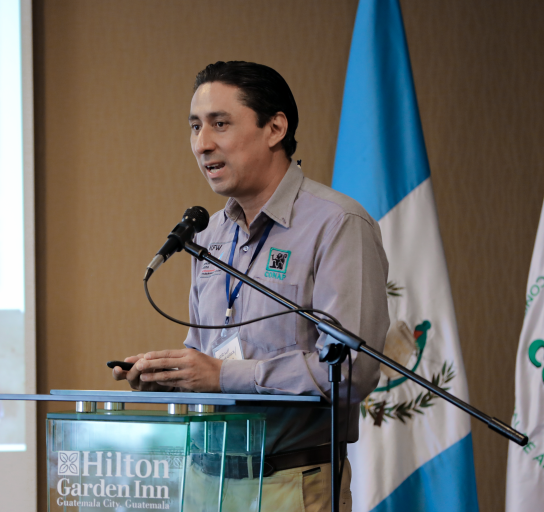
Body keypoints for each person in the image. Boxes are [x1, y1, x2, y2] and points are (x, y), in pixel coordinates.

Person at [112, 61, 389, 511]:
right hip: (204, 480)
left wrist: (222, 376)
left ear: (275, 128)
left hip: (290, 481)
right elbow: (208, 355)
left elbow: (350, 371)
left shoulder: (337, 224)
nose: (202, 144)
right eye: (195, 127)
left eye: (220, 124)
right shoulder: (207, 235)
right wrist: (168, 377)